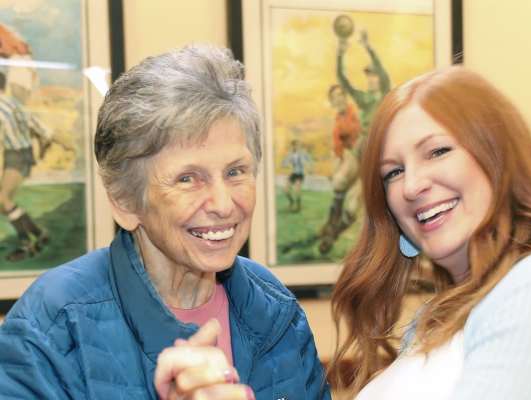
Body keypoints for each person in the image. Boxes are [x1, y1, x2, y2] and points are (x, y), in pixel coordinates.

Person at [0, 44, 331, 400]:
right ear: (125, 202)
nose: (223, 204)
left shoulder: (275, 308)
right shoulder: (53, 325)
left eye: (236, 172)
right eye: (188, 178)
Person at [327, 66, 531, 399]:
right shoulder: (434, 319)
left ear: (500, 156)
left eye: (437, 151)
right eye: (393, 172)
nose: (411, 186)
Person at [0, 71, 54, 261]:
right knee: (4, 203)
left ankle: (27, 243)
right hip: (24, 154)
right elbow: (44, 131)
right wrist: (42, 150)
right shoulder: (15, 104)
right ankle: (39, 234)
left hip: (14, 155)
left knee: (4, 200)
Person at [319, 84, 361, 254]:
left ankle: (332, 231)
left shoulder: (357, 114)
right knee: (338, 182)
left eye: (341, 94)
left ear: (346, 96)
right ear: (332, 101)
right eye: (335, 96)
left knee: (352, 209)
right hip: (353, 165)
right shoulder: (338, 122)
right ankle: (331, 229)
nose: (339, 98)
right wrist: (335, 170)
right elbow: (338, 152)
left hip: (367, 164)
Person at [336, 30, 390, 134]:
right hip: (367, 141)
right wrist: (340, 55)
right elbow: (342, 79)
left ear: (380, 78)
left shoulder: (385, 94)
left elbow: (380, 67)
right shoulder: (363, 98)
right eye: (368, 76)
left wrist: (368, 47)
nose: (370, 79)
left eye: (374, 76)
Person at [281, 139, 312, 212]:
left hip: (300, 174)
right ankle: (291, 202)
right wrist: (287, 165)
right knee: (286, 190)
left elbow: (309, 160)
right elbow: (284, 163)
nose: (296, 147)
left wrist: (308, 167)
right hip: (293, 173)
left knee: (297, 190)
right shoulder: (290, 154)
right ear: (292, 146)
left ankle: (298, 206)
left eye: (298, 145)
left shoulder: (302, 153)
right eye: (295, 145)